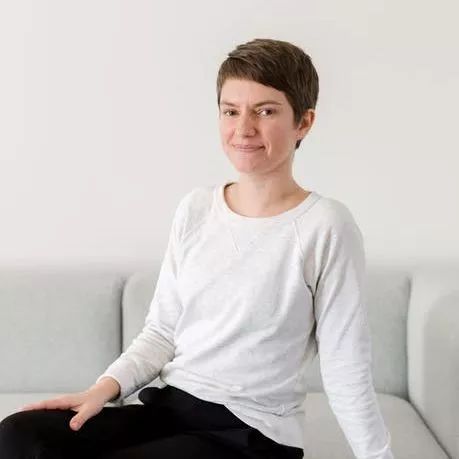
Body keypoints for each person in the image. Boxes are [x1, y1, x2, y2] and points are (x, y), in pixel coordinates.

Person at [0, 38, 395, 459]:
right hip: (171, 412)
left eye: (265, 111)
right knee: (19, 435)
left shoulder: (325, 225)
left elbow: (345, 366)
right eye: (231, 111)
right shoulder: (197, 208)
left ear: (304, 122)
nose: (244, 128)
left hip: (251, 433)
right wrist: (104, 389)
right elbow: (162, 331)